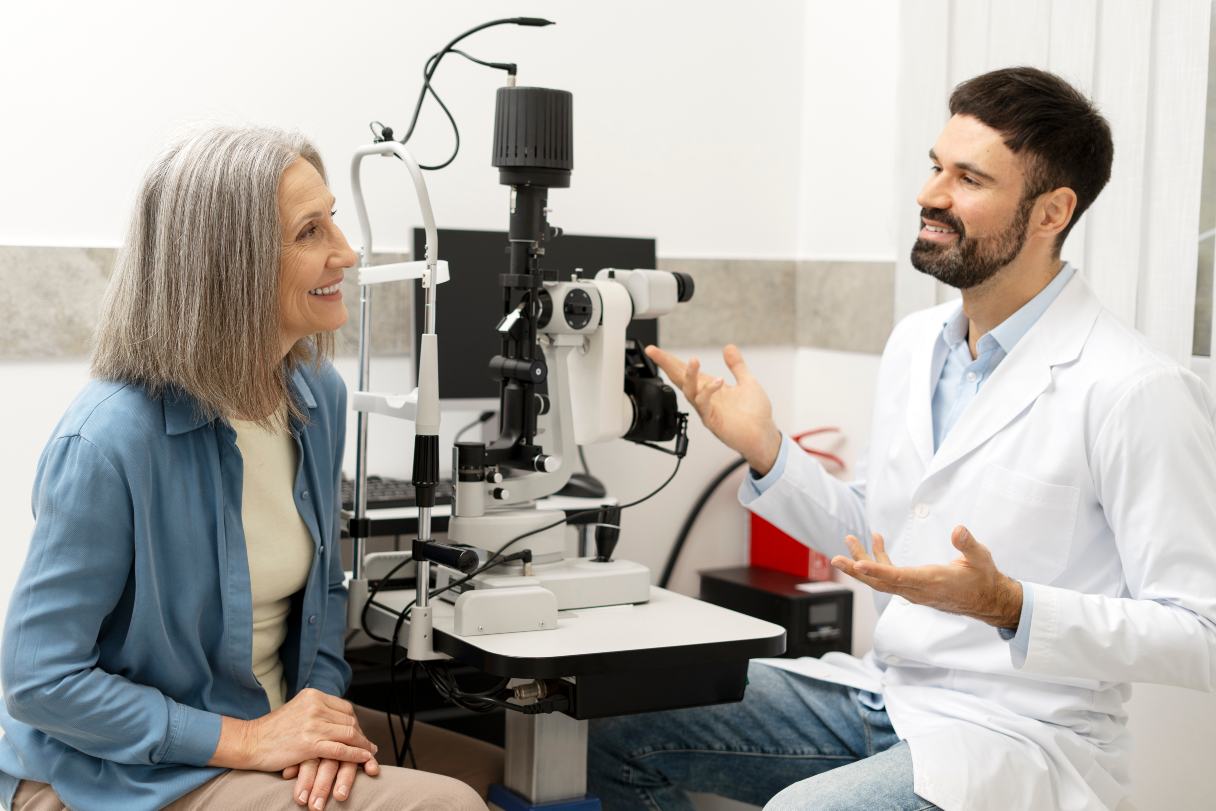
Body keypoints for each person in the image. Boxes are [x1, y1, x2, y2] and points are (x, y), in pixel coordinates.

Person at [588, 67, 1216, 810]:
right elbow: (883, 544)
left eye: (969, 178)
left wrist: (1011, 604)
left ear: (1052, 212)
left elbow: (1199, 630)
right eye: (935, 167)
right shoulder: (917, 344)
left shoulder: (1133, 387)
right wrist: (768, 451)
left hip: (1020, 736)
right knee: (615, 716)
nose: (930, 195)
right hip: (885, 698)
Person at [0, 127, 501, 811]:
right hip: (118, 769)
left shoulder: (315, 398)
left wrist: (317, 718)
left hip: (270, 724)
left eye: (335, 221)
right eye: (310, 231)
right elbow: (39, 679)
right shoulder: (110, 439)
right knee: (451, 806)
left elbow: (324, 595)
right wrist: (251, 739)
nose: (347, 253)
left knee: (503, 771)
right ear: (228, 264)